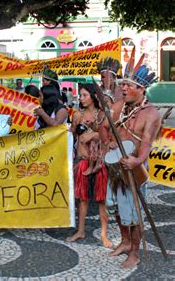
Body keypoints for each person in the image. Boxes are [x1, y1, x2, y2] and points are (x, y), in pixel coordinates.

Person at [101, 63, 161, 269]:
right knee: (114, 206)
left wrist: (136, 160)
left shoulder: (151, 114)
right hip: (115, 165)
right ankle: (125, 242)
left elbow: (147, 144)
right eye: (122, 85)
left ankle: (134, 253)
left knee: (134, 214)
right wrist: (107, 141)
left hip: (133, 168)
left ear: (141, 89)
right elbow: (104, 126)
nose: (124, 88)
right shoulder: (119, 106)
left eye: (129, 85)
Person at [66, 84, 111, 248]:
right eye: (80, 95)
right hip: (83, 160)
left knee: (102, 200)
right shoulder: (77, 115)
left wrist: (95, 134)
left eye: (85, 95)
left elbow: (110, 135)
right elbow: (70, 132)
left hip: (100, 162)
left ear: (93, 96)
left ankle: (104, 234)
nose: (81, 98)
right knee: (82, 199)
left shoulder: (103, 115)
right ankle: (80, 230)